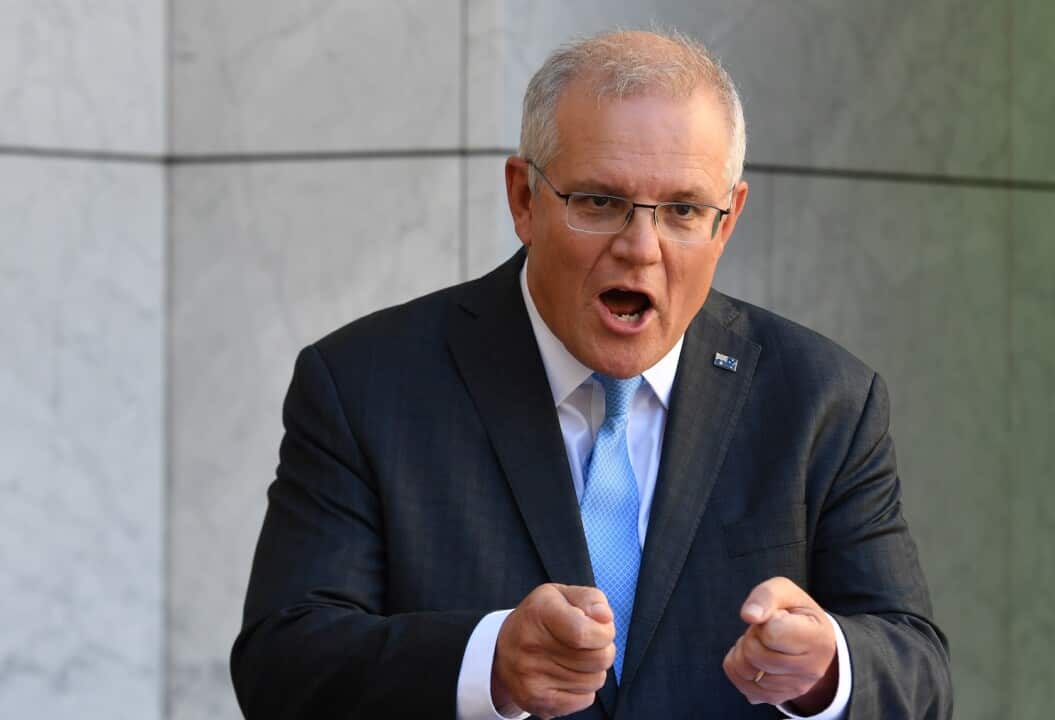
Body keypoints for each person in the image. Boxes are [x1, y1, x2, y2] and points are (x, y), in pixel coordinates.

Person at [231, 29, 951, 720]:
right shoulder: (365, 385)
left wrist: (829, 669)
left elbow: (918, 671)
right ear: (524, 200)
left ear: (726, 222)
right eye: (600, 202)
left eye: (683, 210)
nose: (641, 249)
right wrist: (489, 665)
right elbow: (283, 667)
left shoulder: (823, 400)